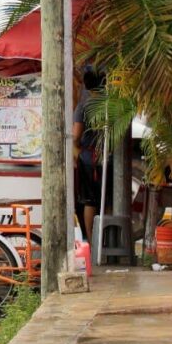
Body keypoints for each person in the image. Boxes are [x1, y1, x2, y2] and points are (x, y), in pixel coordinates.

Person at [73, 67, 105, 244]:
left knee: (89, 200)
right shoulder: (110, 104)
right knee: (106, 200)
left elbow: (76, 135)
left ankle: (93, 242)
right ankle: (107, 240)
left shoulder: (84, 105)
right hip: (109, 158)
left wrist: (76, 147)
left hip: (89, 158)